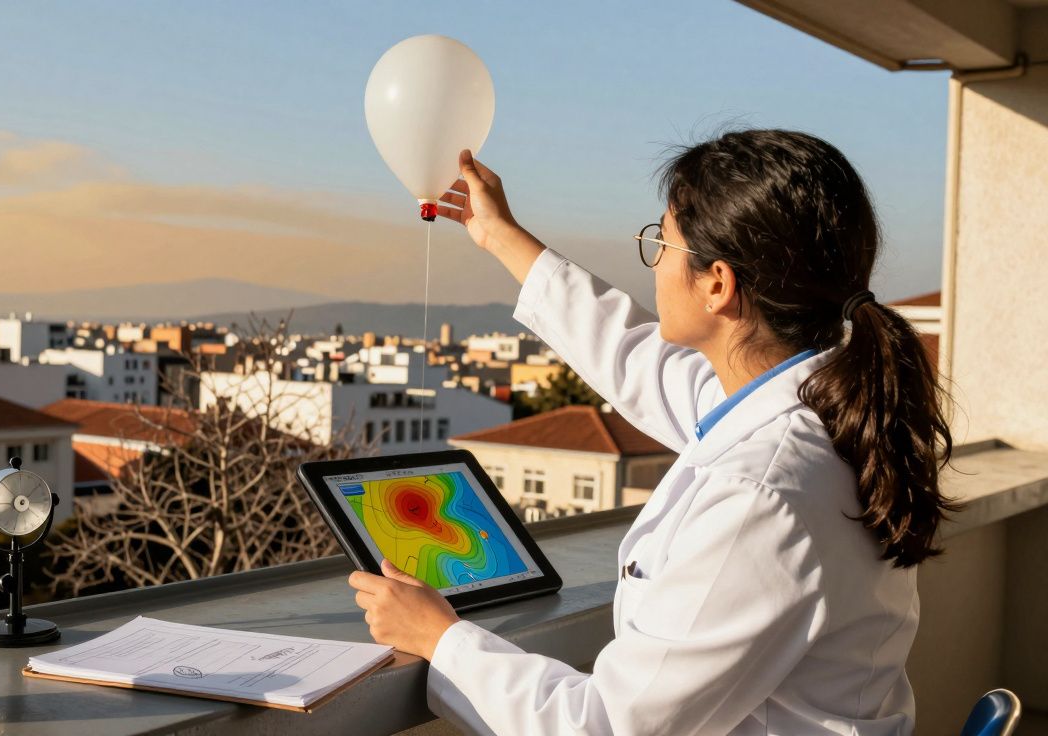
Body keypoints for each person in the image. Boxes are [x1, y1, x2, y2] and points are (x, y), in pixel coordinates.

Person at [347, 129, 961, 735]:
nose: (655, 262)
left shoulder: (759, 493)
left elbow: (606, 728)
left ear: (717, 283)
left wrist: (441, 639)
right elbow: (636, 359)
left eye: (660, 243)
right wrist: (500, 235)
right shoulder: (814, 408)